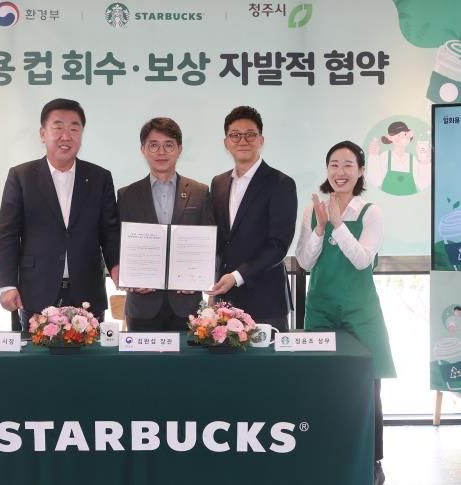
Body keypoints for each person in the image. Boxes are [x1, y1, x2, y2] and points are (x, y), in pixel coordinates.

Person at [295, 140, 396, 485]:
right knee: (323, 385)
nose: (340, 172)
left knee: (367, 390)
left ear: (361, 171)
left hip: (361, 313)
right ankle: (325, 453)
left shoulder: (371, 212)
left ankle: (372, 461)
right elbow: (305, 262)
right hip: (321, 309)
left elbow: (363, 260)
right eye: (334, 165)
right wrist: (320, 228)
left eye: (348, 165)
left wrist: (338, 225)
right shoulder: (313, 210)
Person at [0, 98, 120, 328]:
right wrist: (7, 284)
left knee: (92, 352)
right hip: (36, 291)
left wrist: (117, 266)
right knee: (35, 353)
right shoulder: (21, 177)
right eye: (58, 127)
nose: (66, 136)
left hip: (88, 292)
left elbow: (110, 231)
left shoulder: (99, 177)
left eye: (74, 129)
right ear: (43, 134)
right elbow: (8, 235)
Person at [117, 117, 214, 331]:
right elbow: (118, 244)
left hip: (187, 305)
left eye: (168, 145)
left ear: (179, 149)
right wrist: (128, 276)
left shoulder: (200, 192)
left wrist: (201, 279)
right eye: (153, 145)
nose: (161, 152)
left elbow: (210, 245)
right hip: (142, 305)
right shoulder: (127, 195)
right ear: (143, 150)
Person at [208, 106, 297, 331]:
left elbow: (278, 245)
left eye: (250, 134)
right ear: (226, 142)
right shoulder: (218, 183)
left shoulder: (281, 183)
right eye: (235, 135)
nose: (242, 141)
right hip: (225, 302)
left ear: (261, 140)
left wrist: (237, 276)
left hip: (266, 302)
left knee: (268, 357)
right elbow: (217, 239)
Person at [367, 120, 430, 196]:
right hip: (387, 200)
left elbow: (422, 184)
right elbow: (375, 180)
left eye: (405, 134)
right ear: (390, 138)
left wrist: (425, 161)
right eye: (398, 135)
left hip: (409, 201)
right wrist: (373, 155)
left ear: (409, 135)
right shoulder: (385, 156)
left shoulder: (412, 159)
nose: (402, 138)